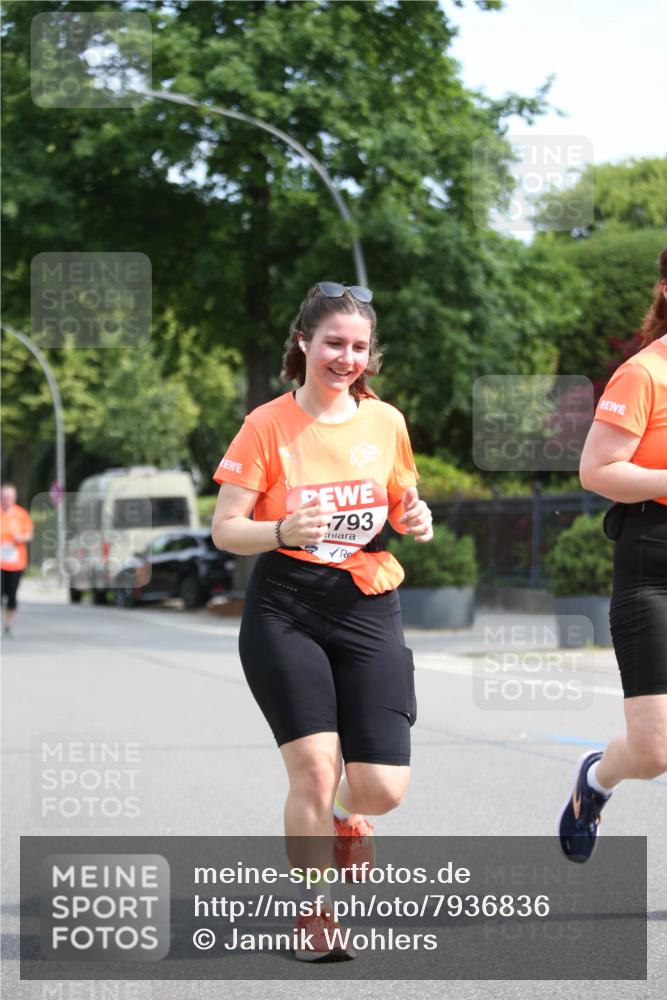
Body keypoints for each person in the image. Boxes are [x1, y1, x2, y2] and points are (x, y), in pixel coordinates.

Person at [211, 282, 433, 959]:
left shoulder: (385, 422)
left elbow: (399, 499)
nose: (346, 358)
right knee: (311, 767)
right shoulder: (267, 424)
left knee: (382, 789)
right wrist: (279, 528)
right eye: (333, 343)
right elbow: (225, 529)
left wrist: (413, 516)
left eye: (359, 347)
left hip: (366, 600)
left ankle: (347, 812)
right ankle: (313, 914)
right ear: (302, 342)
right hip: (286, 606)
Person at [558, 248, 667, 863]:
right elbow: (597, 470)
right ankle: (596, 779)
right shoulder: (644, 373)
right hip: (654, 564)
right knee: (654, 751)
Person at [1, 483, 34, 638]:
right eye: (4, 497)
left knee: (12, 596)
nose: (6, 500)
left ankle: (7, 626)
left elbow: (29, 535)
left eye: (9, 497)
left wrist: (19, 538)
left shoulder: (21, 515)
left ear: (14, 498)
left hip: (15, 563)